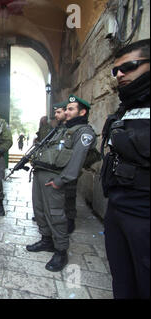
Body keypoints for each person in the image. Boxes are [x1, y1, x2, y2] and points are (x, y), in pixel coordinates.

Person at [100, 39, 150, 299]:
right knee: (123, 281)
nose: (120, 74)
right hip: (118, 206)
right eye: (115, 70)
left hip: (144, 215)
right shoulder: (125, 109)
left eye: (129, 66)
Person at [27, 94, 96, 272]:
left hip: (54, 178)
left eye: (70, 109)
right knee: (40, 210)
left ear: (82, 111)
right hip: (41, 174)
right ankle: (46, 240)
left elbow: (77, 161)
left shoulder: (84, 132)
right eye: (66, 109)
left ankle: (61, 250)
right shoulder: (61, 129)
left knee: (56, 214)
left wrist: (60, 181)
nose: (66, 112)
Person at [53, 102, 78, 234]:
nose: (56, 115)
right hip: (59, 167)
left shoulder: (76, 129)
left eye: (59, 112)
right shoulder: (61, 128)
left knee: (69, 194)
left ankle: (70, 220)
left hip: (69, 167)